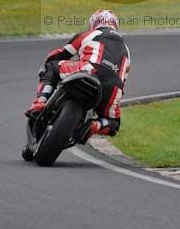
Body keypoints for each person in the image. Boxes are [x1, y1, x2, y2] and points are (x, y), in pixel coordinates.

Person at [25, 9, 131, 138]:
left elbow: (63, 53)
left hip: (89, 69)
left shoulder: (91, 34)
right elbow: (123, 79)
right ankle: (93, 126)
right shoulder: (126, 49)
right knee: (114, 123)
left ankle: (40, 102)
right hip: (114, 86)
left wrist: (49, 61)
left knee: (52, 67)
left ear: (94, 22)